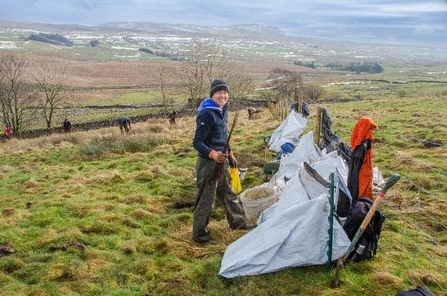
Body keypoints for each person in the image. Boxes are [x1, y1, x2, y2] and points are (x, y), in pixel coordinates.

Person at [192, 79, 254, 245]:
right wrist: (213, 155)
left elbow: (222, 137)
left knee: (228, 192)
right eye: (219, 92)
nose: (223, 95)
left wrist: (230, 153)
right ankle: (200, 235)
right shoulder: (207, 113)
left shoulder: (221, 110)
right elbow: (197, 142)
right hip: (208, 164)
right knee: (206, 199)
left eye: (225, 92)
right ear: (212, 94)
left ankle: (238, 223)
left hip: (222, 161)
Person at [347, 116, 379, 202]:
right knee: (363, 182)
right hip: (363, 168)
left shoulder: (359, 140)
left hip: (361, 166)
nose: (372, 131)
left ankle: (360, 200)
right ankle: (363, 201)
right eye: (371, 128)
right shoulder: (365, 141)